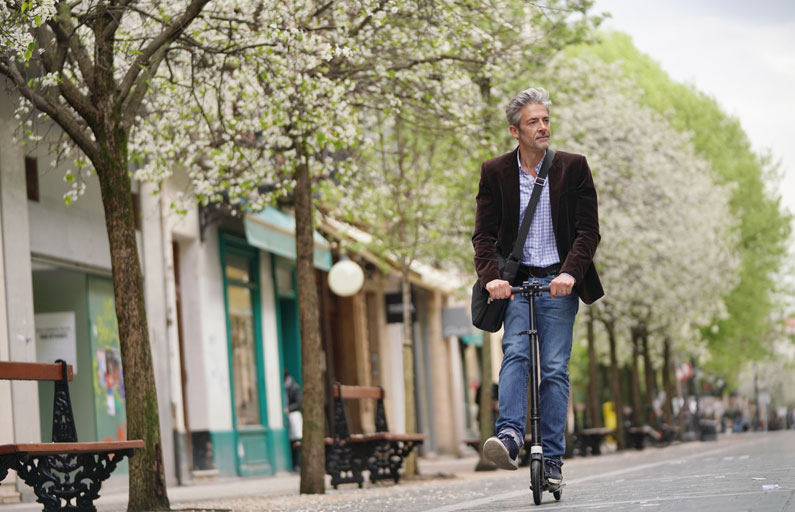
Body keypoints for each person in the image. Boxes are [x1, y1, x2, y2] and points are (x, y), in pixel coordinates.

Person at [472, 87, 603, 490]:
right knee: (515, 353)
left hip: (557, 282)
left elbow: (588, 232)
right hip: (515, 283)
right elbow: (483, 235)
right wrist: (491, 277)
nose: (543, 127)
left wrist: (570, 274)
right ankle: (510, 437)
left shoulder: (573, 167)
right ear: (515, 131)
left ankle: (553, 460)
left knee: (553, 369)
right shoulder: (495, 173)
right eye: (533, 122)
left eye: (545, 119)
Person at [284, 370, 302, 471]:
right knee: (293, 441)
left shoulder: (294, 387)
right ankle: (294, 464)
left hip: (293, 417)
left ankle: (297, 464)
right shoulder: (284, 387)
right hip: (288, 418)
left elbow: (299, 403)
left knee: (296, 440)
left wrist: (289, 409)